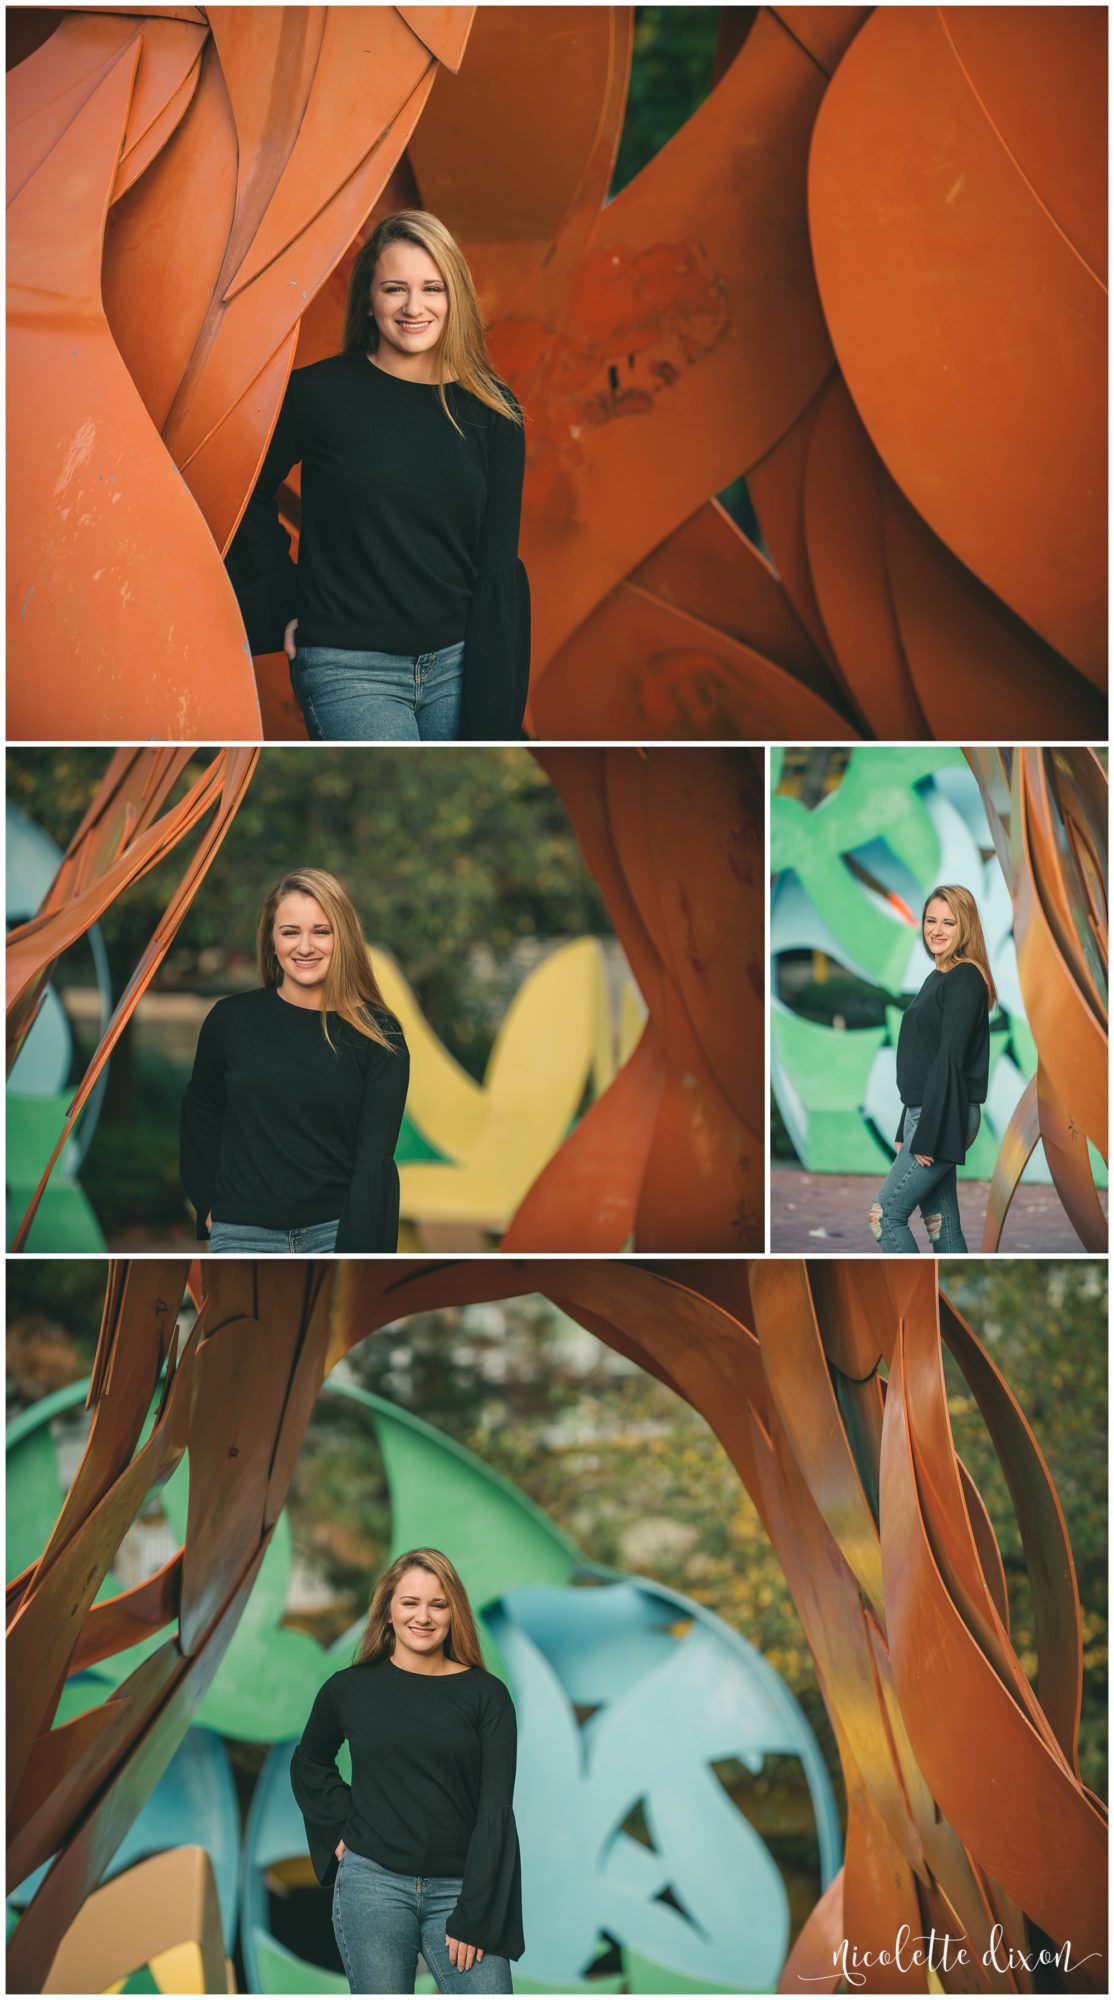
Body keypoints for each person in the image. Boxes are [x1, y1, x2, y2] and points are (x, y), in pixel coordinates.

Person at [226, 209, 530, 743]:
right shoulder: (318, 395)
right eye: (395, 289)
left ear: (453, 296)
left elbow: (497, 565)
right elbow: (245, 490)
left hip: (459, 667)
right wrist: (284, 601)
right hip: (349, 667)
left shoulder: (494, 412)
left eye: (432, 288)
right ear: (369, 299)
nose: (414, 307)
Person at [291, 1548, 523, 1995]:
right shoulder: (349, 1689)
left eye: (438, 1604)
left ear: (454, 1613)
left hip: (461, 1888)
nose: (424, 1616)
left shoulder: (486, 1696)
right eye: (410, 1602)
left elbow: (495, 1813)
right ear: (388, 1612)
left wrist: (474, 1914)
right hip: (372, 1884)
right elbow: (310, 1761)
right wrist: (341, 1824)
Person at [179, 868, 409, 1253]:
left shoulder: (378, 1034)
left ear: (344, 939)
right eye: (290, 932)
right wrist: (207, 1201)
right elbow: (201, 1111)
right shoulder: (231, 1020)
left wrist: (363, 1258)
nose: (305, 946)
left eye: (321, 931)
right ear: (272, 941)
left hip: (335, 1235)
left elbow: (374, 1164)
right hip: (241, 1234)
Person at [869, 884, 995, 1254]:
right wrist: (904, 1124)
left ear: (965, 928)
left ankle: (912, 1301)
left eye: (949, 922)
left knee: (885, 1216)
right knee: (941, 1224)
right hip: (927, 1112)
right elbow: (922, 1060)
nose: (936, 930)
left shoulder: (965, 979)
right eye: (930, 920)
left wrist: (927, 1131)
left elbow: (949, 1059)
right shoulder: (939, 975)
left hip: (942, 1114)